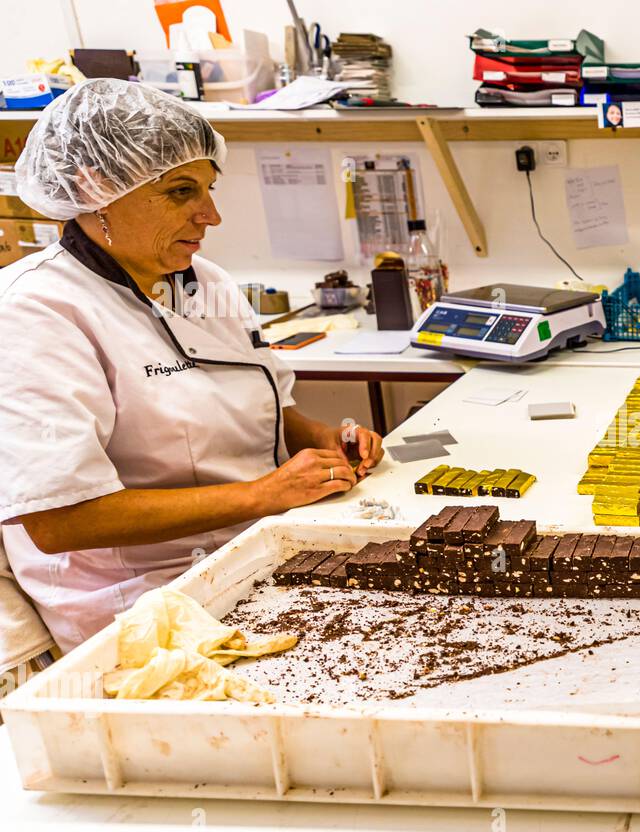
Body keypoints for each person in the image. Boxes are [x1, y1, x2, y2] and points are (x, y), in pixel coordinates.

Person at [0, 79, 384, 652]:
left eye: (209, 188)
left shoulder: (207, 282)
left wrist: (326, 441)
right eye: (182, 192)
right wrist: (266, 493)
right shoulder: (32, 310)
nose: (211, 216)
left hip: (254, 557)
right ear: (95, 187)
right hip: (138, 609)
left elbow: (272, 407)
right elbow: (60, 521)